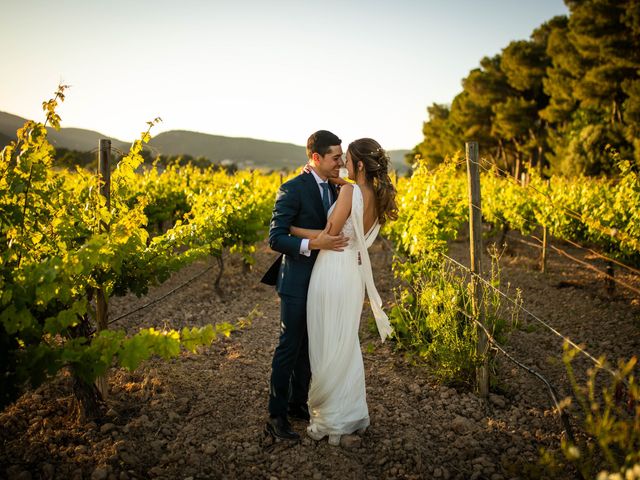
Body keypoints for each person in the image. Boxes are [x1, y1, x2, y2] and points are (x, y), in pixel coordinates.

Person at [289, 138, 397, 445]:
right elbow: (352, 205)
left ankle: (333, 420)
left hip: (332, 269)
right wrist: (336, 180)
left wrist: (292, 230)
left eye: (347, 160)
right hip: (352, 273)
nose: (342, 165)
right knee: (345, 342)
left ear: (359, 164)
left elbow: (330, 235)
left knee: (326, 340)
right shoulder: (375, 193)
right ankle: (349, 413)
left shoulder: (350, 191)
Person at [263, 130, 349, 441]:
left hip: (324, 280)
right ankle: (275, 415)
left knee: (309, 348)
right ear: (316, 158)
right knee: (289, 346)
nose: (340, 162)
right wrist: (313, 243)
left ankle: (297, 403)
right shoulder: (292, 188)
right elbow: (276, 238)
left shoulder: (337, 188)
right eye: (335, 157)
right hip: (297, 280)